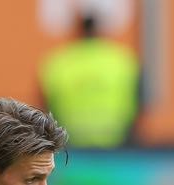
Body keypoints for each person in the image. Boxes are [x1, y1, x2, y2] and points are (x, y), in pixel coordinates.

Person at [39, 13, 140, 147]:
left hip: (71, 145)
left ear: (78, 29)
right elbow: (139, 102)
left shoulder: (58, 62)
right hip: (116, 143)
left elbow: (46, 107)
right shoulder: (123, 60)